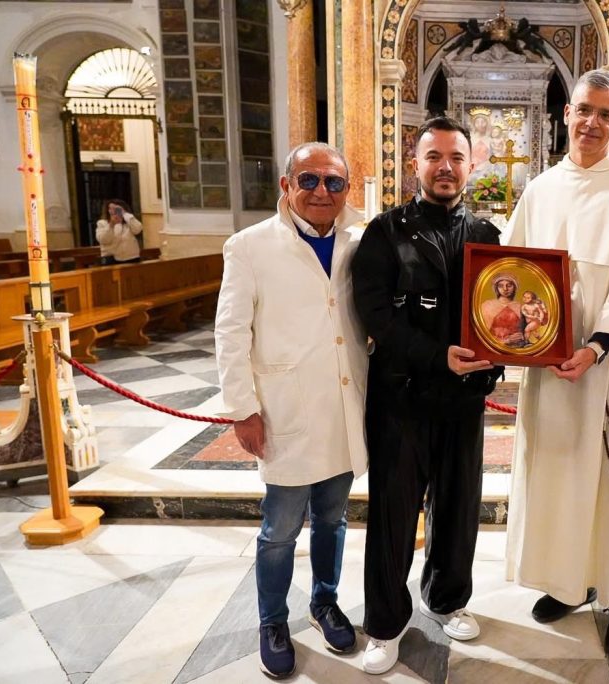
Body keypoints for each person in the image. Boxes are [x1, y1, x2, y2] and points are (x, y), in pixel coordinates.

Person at [503, 68, 609, 655]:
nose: (592, 122)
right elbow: (514, 276)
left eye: (605, 114)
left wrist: (597, 345)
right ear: (566, 116)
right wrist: (521, 339)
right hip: (551, 369)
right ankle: (571, 583)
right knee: (559, 476)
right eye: (583, 110)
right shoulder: (541, 189)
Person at [351, 116, 502, 675]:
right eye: (434, 156)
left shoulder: (487, 236)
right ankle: (386, 624)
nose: (445, 167)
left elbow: (505, 314)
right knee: (394, 511)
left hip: (464, 399)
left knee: (459, 508)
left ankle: (447, 599)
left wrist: (504, 351)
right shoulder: (385, 232)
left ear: (470, 164)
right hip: (401, 397)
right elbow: (376, 313)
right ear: (415, 164)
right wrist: (436, 355)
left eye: (455, 157)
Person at [215, 142, 368, 679]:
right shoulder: (250, 246)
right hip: (285, 409)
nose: (321, 192)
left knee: (333, 518)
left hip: (344, 406)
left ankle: (324, 603)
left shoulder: (360, 238)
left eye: (333, 182)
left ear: (347, 189)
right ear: (286, 186)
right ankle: (272, 620)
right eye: (309, 180)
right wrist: (242, 408)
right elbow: (231, 333)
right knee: (280, 527)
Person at [479, 273, 525, 346]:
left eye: (509, 285)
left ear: (515, 287)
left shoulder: (521, 307)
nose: (505, 289)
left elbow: (526, 332)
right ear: (496, 288)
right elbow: (481, 334)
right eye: (501, 286)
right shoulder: (487, 305)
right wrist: (506, 341)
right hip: (492, 349)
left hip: (517, 350)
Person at [95, 199, 142, 264]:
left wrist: (124, 213)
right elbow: (104, 240)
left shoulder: (129, 221)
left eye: (117, 209)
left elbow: (138, 230)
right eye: (111, 209)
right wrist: (111, 224)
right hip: (111, 259)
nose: (114, 211)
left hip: (131, 258)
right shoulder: (102, 223)